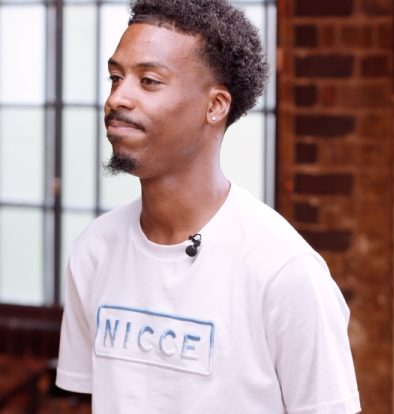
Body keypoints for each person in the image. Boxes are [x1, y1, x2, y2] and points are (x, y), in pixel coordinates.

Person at [56, 0, 361, 413]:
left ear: (215, 106)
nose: (117, 98)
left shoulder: (284, 270)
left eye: (149, 81)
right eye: (115, 77)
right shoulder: (94, 250)